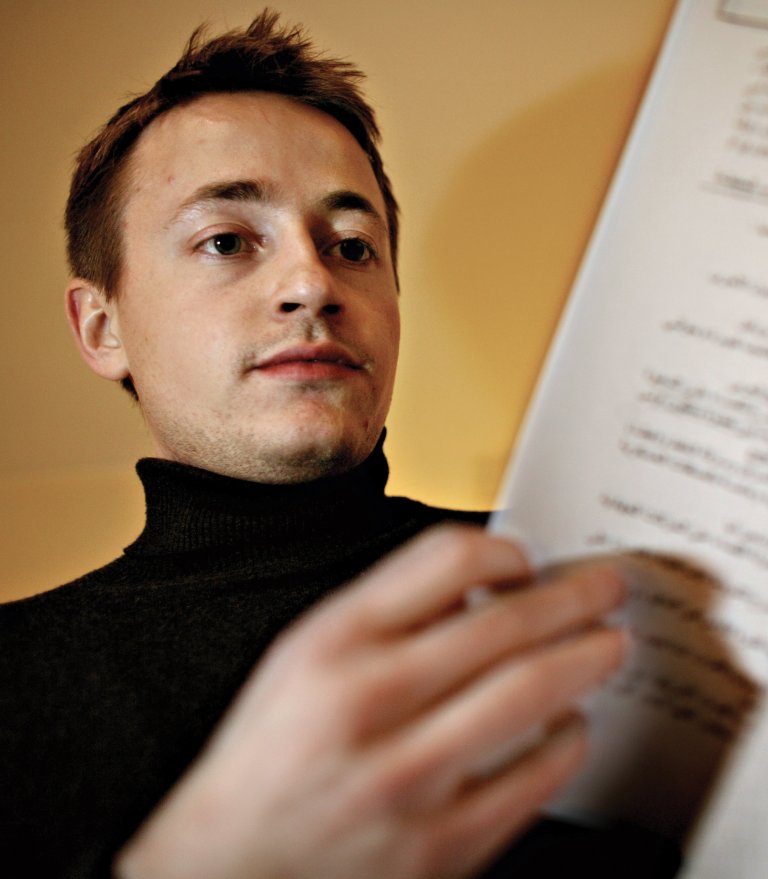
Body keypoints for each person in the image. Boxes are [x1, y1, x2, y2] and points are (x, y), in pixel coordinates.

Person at [0, 11, 679, 879]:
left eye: (352, 246)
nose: (312, 283)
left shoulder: (584, 578)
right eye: (226, 241)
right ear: (103, 327)